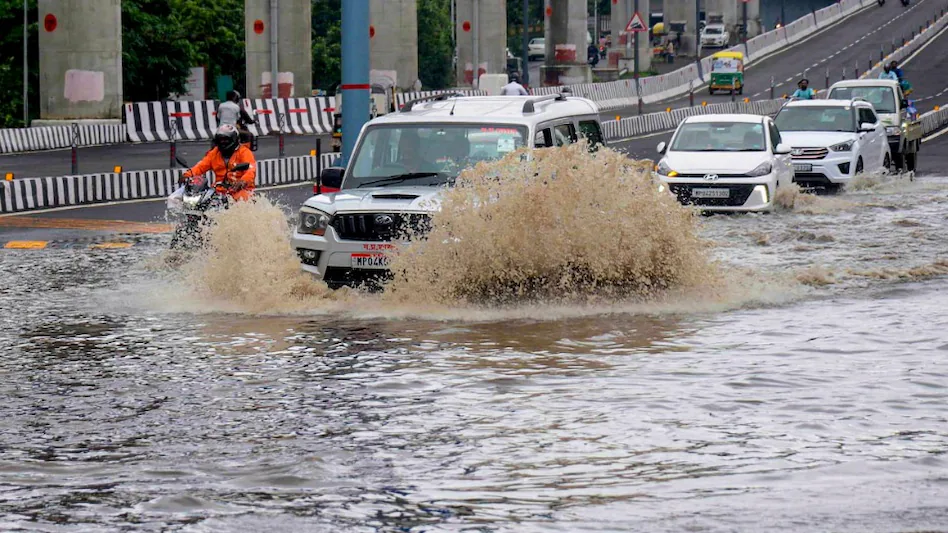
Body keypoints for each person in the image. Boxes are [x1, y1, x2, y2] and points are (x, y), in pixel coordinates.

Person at [180, 125, 256, 202]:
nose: (223, 142)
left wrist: (243, 181)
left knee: (242, 201)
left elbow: (251, 170)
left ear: (234, 139)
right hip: (219, 191)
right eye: (220, 140)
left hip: (240, 190)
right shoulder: (214, 153)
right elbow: (200, 166)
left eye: (226, 139)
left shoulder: (244, 152)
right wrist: (188, 174)